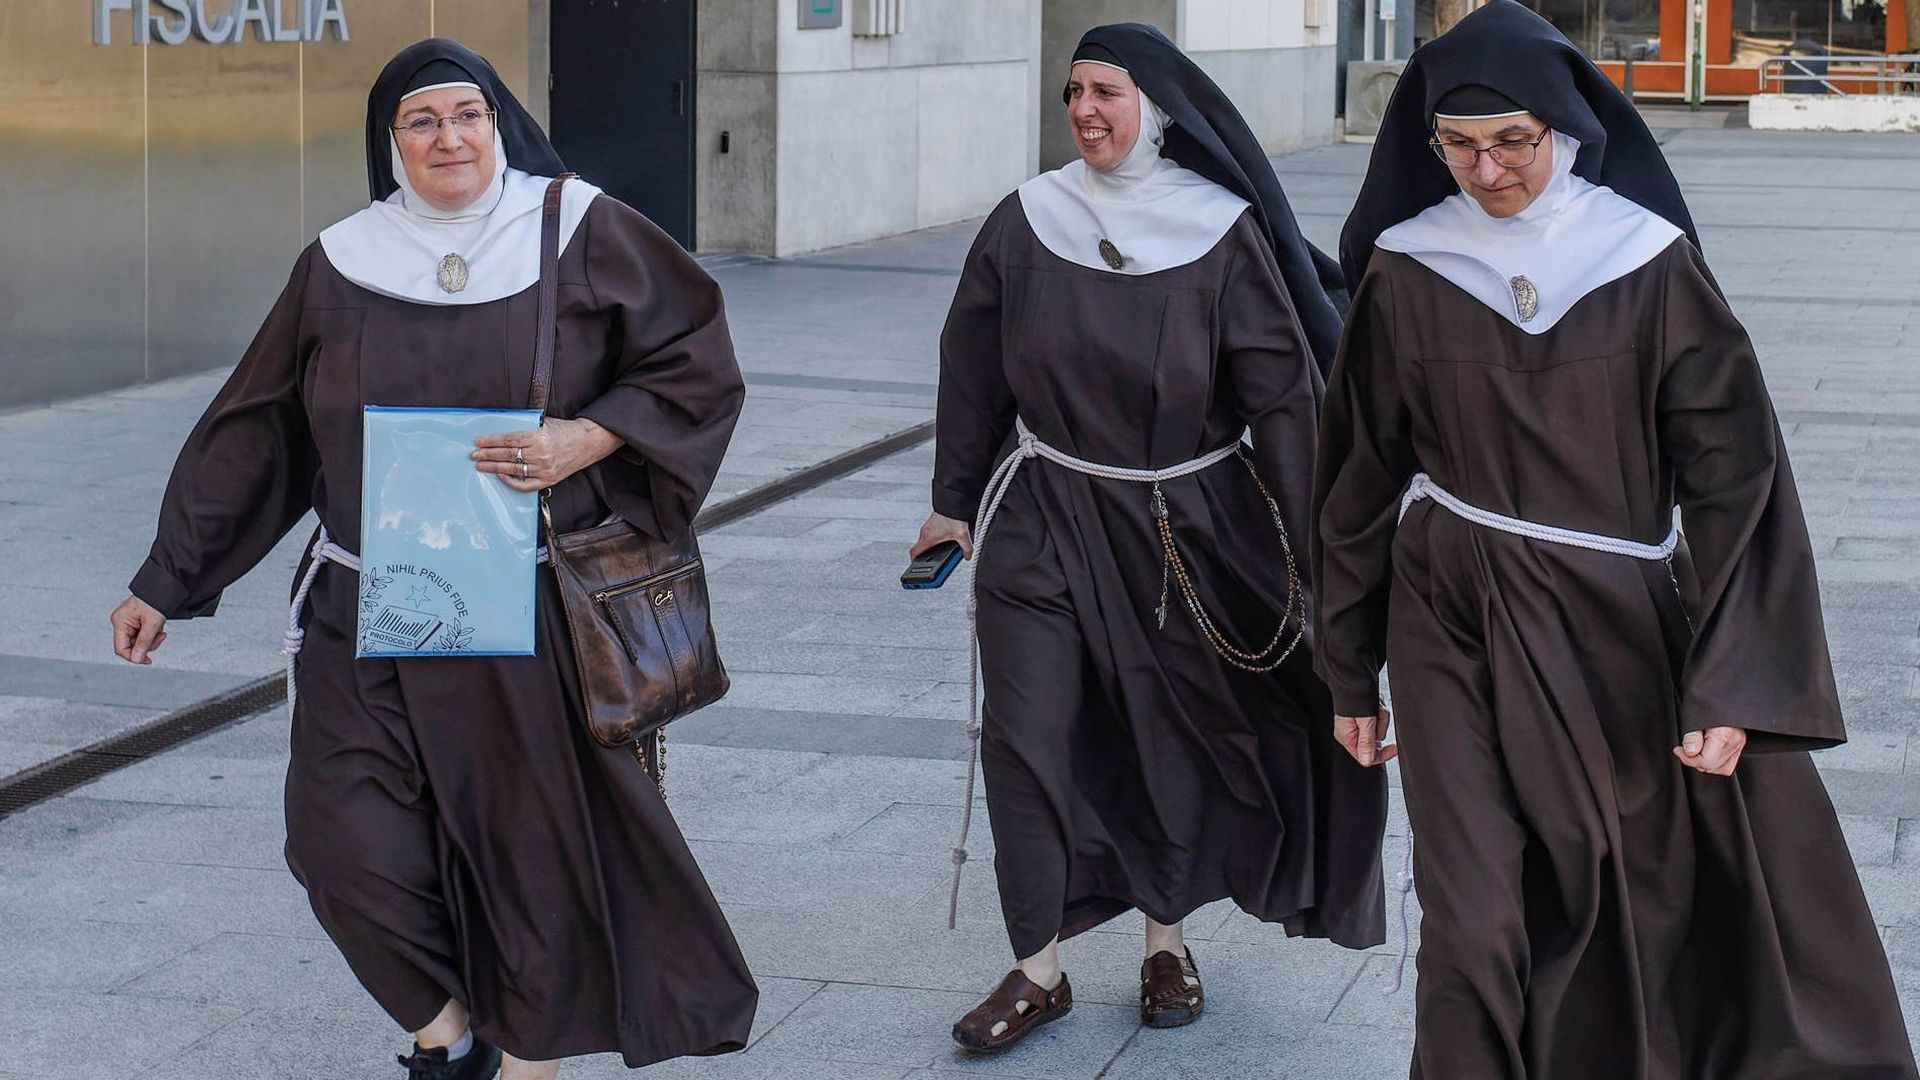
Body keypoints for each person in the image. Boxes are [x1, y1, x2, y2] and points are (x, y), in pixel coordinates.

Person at [107, 39, 756, 1080]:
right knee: (337, 847)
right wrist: (166, 577)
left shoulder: (581, 230)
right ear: (391, 141)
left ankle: (525, 1059)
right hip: (366, 605)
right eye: (422, 120)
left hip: (522, 605)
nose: (448, 136)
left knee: (526, 853)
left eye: (469, 114)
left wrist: (585, 438)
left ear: (499, 123)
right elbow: (260, 427)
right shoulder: (341, 260)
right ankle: (447, 1032)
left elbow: (697, 361)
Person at [1313, 4, 1919, 1076]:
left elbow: (1739, 482)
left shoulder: (1644, 262)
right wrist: (1349, 669)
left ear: (1564, 129)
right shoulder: (1408, 268)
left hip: (1614, 618)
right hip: (1449, 607)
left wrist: (1737, 682)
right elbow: (1359, 474)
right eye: (1457, 145)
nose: (1486, 170)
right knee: (1472, 915)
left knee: (1619, 884)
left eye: (1512, 141)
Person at [915, 22, 1386, 1054]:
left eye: (1108, 93)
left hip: (1183, 528)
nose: (1085, 110)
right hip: (1042, 511)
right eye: (1073, 91)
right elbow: (973, 366)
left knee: (1160, 737)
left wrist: (1317, 563)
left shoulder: (1217, 233)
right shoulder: (1027, 219)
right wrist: (956, 497)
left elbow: (1286, 403)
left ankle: (1164, 942)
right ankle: (1037, 966)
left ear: (1158, 111)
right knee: (1027, 734)